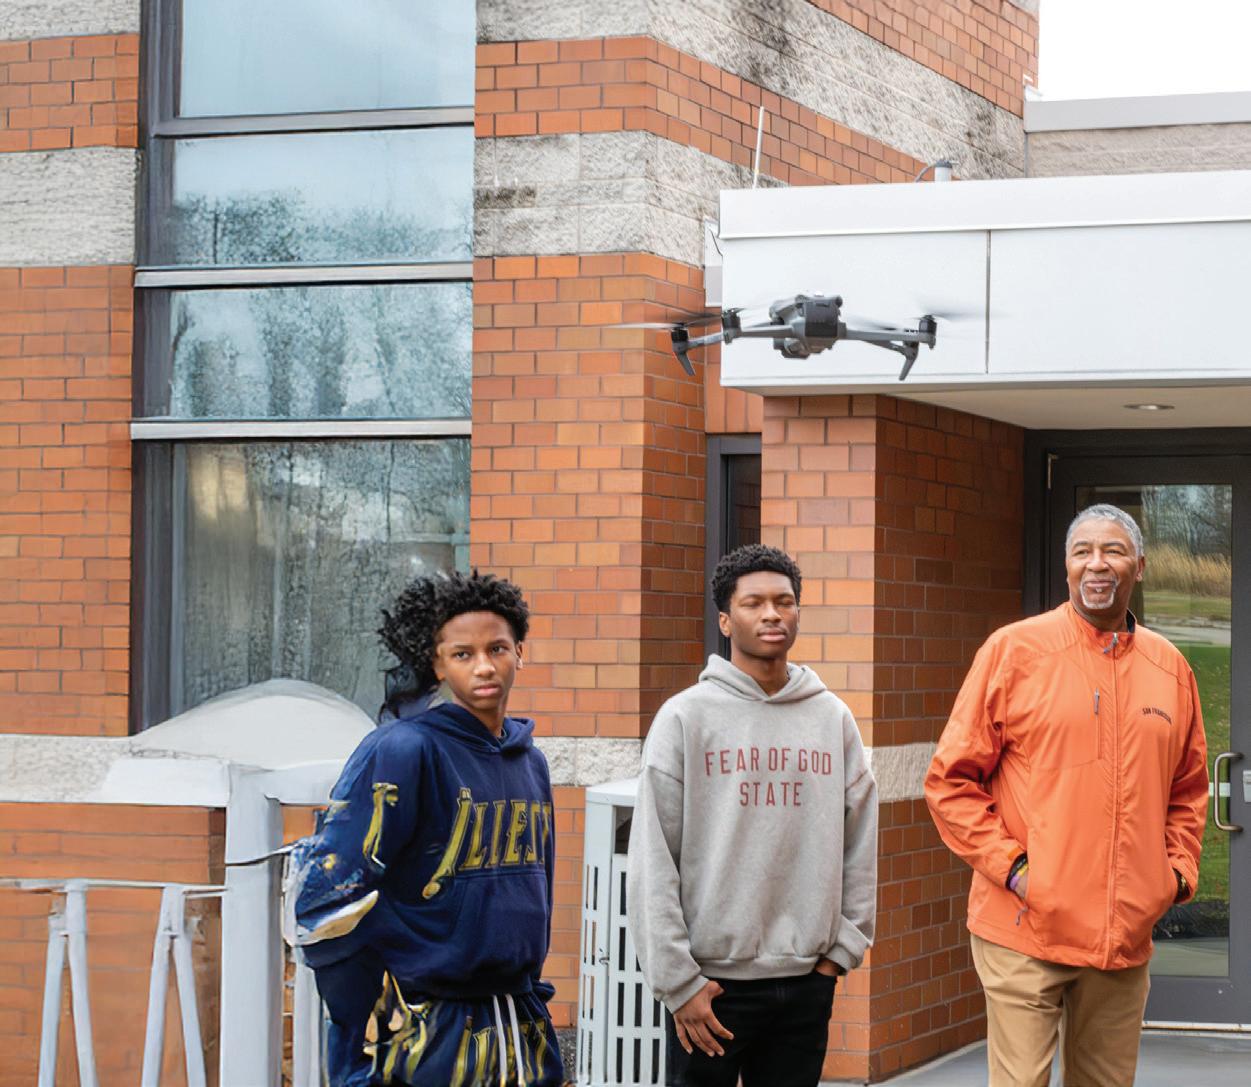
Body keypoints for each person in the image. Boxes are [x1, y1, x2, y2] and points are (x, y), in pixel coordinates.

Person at [925, 503, 1209, 1087]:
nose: (1097, 564)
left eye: (1113, 551)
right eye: (1083, 552)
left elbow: (1188, 787)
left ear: (1140, 567)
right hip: (1025, 929)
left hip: (1122, 939)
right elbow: (950, 781)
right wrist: (1016, 871)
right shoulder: (1014, 651)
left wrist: (1175, 873)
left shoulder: (1171, 668)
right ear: (1067, 567)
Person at [287, 571, 568, 1086]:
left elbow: (535, 896)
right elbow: (326, 904)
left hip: (519, 1032)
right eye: (463, 654)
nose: (484, 666)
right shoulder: (403, 750)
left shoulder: (531, 763)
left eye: (497, 648)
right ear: (436, 664)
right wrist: (368, 1028)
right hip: (424, 1038)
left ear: (520, 652)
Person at [627, 544, 877, 1087]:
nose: (772, 615)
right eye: (754, 603)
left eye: (784, 602)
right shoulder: (684, 717)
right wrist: (679, 984)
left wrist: (839, 954)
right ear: (725, 620)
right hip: (710, 988)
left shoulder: (832, 717)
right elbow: (653, 857)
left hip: (806, 981)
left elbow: (860, 840)